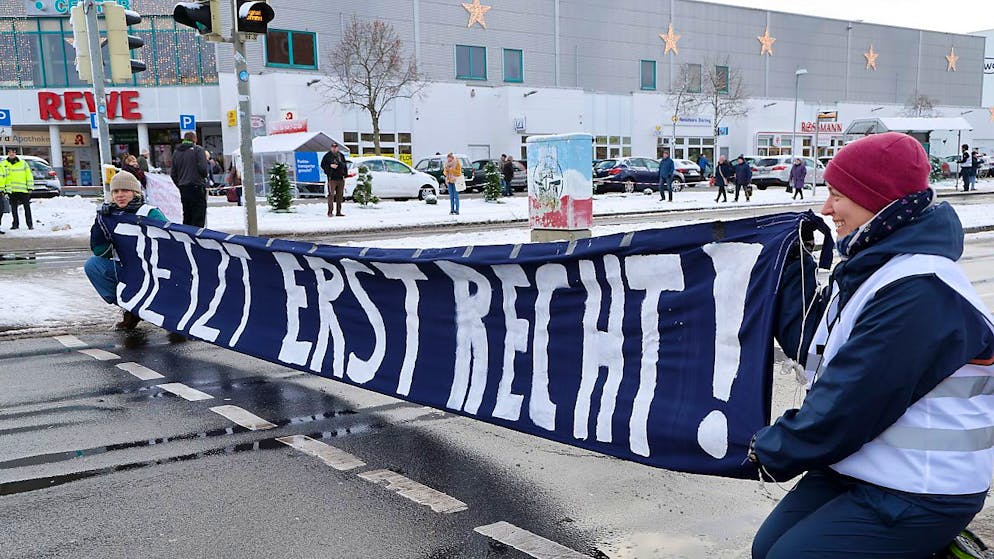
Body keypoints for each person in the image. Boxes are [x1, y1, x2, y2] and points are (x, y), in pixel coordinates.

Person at [749, 132, 994, 559]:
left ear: (877, 201)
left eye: (837, 195)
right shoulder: (871, 268)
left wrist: (767, 450)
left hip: (923, 486)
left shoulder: (920, 289)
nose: (826, 209)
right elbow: (817, 347)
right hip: (861, 463)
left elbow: (852, 401)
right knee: (767, 548)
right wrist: (788, 267)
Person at [84, 171, 167, 331]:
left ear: (135, 193)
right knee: (93, 266)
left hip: (156, 271)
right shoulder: (109, 216)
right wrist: (100, 226)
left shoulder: (149, 213)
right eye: (116, 191)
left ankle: (168, 313)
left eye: (125, 191)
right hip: (128, 270)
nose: (120, 195)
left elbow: (172, 242)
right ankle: (131, 307)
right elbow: (101, 252)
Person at [170, 132, 209, 227]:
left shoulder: (176, 152)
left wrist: (180, 184)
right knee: (198, 216)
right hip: (196, 186)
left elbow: (173, 173)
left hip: (184, 187)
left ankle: (187, 238)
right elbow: (203, 169)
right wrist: (204, 178)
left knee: (187, 215)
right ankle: (197, 238)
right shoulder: (198, 150)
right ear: (195, 139)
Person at [2, 149, 34, 230]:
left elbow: (29, 175)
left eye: (13, 152)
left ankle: (30, 224)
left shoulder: (23, 163)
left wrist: (30, 187)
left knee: (27, 208)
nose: (11, 154)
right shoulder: (4, 164)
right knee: (14, 209)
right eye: (9, 152)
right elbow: (2, 177)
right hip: (11, 190)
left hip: (23, 190)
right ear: (7, 154)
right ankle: (15, 224)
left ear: (15, 153)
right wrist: (4, 189)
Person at [320, 141, 347, 217]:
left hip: (340, 178)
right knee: (331, 195)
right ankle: (330, 212)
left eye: (335, 147)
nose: (334, 149)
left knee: (340, 195)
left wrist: (344, 173)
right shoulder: (327, 156)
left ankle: (339, 211)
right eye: (333, 147)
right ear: (331, 148)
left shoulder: (341, 155)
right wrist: (330, 166)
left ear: (337, 148)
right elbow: (323, 165)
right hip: (332, 178)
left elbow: (345, 165)